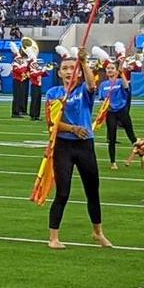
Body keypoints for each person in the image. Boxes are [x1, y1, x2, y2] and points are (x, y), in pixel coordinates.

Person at [45, 52, 113, 251]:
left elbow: (93, 85)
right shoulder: (53, 94)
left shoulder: (84, 89)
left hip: (85, 145)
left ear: (78, 73)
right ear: (59, 73)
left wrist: (83, 62)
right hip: (63, 146)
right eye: (64, 68)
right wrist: (73, 129)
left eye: (71, 68)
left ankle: (97, 232)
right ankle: (54, 237)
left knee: (92, 191)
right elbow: (51, 123)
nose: (68, 71)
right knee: (63, 193)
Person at [98, 61, 137, 169]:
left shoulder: (120, 82)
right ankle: (113, 162)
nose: (109, 70)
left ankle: (141, 154)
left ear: (116, 70)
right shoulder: (103, 85)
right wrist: (105, 105)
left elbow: (126, 88)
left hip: (122, 111)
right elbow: (101, 99)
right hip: (110, 113)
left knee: (131, 135)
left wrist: (122, 74)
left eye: (112, 68)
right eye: (108, 68)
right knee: (111, 137)